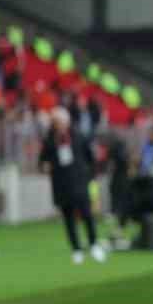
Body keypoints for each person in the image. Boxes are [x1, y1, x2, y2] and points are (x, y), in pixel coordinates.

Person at [38, 106, 106, 264]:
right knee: (68, 218)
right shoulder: (49, 140)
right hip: (61, 184)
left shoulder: (78, 136)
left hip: (79, 181)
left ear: (66, 121)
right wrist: (45, 166)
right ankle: (76, 249)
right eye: (55, 122)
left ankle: (94, 244)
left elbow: (90, 156)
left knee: (87, 215)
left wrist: (91, 175)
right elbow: (41, 161)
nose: (58, 124)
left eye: (60, 121)